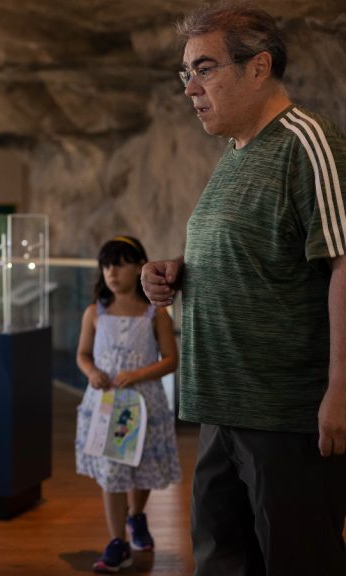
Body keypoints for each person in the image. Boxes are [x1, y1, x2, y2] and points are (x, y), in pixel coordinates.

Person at [140, 3, 346, 574]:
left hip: (285, 418)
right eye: (185, 74)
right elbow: (254, 251)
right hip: (220, 410)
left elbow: (343, 265)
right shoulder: (234, 153)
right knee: (221, 560)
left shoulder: (307, 141)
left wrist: (341, 391)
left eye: (203, 69)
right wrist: (175, 270)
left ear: (258, 68)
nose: (190, 88)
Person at [75, 236, 180, 573]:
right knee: (113, 472)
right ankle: (117, 540)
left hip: (143, 405)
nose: (112, 272)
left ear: (139, 266)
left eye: (119, 263)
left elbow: (171, 360)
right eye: (106, 265)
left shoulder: (155, 314)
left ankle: (136, 516)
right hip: (106, 405)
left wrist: (137, 373)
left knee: (141, 467)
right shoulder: (95, 312)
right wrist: (91, 372)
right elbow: (83, 354)